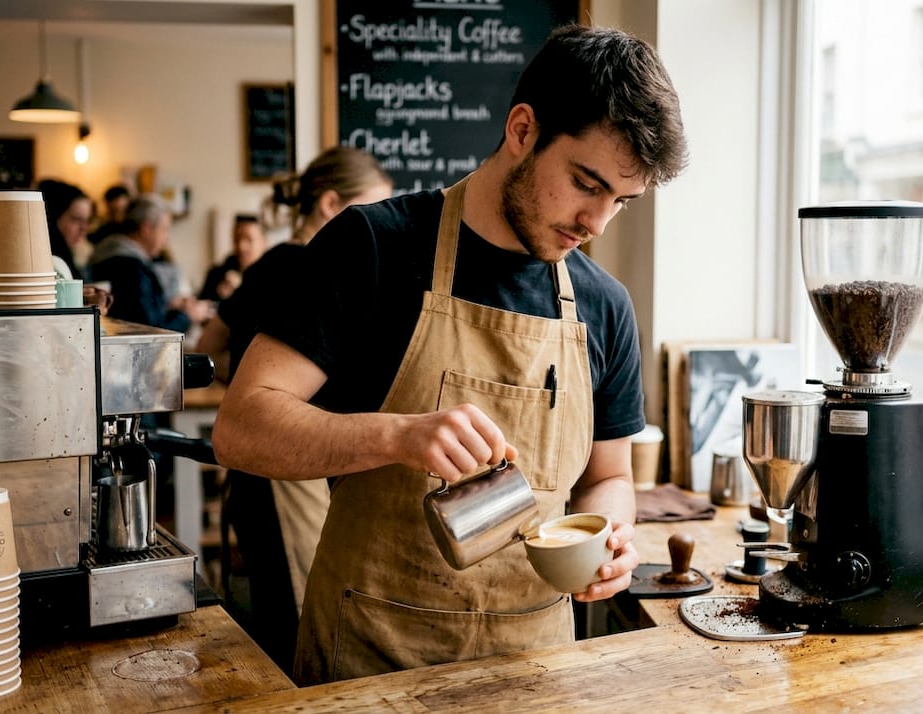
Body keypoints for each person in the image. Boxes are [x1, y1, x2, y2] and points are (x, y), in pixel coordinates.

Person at [212, 24, 686, 685]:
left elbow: (608, 475)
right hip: (370, 666)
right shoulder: (374, 248)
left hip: (535, 670)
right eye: (586, 183)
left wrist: (606, 537)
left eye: (622, 203)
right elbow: (240, 428)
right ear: (522, 131)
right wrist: (399, 435)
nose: (596, 224)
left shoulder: (605, 307)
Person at [194, 146, 392, 669]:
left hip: (256, 475)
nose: (378, 229)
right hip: (287, 477)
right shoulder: (307, 266)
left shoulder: (266, 264)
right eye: (371, 211)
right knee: (298, 628)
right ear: (331, 204)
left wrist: (240, 377)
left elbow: (207, 346)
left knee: (275, 616)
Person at [88, 194, 213, 332]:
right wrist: (189, 316)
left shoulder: (108, 254)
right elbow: (151, 331)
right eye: (164, 229)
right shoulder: (131, 269)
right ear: (146, 229)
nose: (167, 239)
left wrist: (166, 305)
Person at [198, 215, 269, 303]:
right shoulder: (216, 274)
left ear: (264, 243)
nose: (241, 246)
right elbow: (200, 310)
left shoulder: (274, 277)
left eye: (249, 239)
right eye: (237, 239)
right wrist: (218, 296)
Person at [38, 178, 94, 280]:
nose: (84, 228)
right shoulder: (49, 263)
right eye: (76, 219)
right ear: (54, 219)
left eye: (87, 221)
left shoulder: (81, 256)